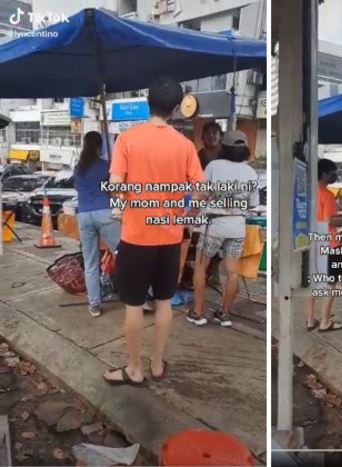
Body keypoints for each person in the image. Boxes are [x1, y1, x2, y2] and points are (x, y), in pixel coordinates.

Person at [104, 77, 205, 386]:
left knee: (134, 304)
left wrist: (126, 207)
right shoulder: (185, 145)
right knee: (164, 301)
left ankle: (134, 369)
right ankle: (158, 365)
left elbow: (116, 187)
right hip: (170, 238)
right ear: (176, 109)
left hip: (136, 237)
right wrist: (185, 216)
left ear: (148, 103)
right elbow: (201, 193)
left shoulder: (127, 140)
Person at [189, 130, 259, 328]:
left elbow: (200, 195)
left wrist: (191, 216)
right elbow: (252, 204)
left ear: (224, 147)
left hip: (214, 225)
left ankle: (198, 312)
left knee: (201, 267)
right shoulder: (251, 172)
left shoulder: (214, 166)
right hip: (237, 227)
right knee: (233, 272)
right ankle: (224, 314)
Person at [305, 159, 342, 332]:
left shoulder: (307, 191)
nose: (335, 175)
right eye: (333, 172)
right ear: (323, 174)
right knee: (330, 284)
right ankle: (325, 321)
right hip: (330, 244)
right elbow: (331, 221)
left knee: (313, 283)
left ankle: (309, 320)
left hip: (311, 242)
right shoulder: (326, 194)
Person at [74, 131, 121, 318]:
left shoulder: (78, 168)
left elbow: (79, 190)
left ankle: (94, 305)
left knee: (91, 263)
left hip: (84, 215)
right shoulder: (106, 166)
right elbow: (116, 191)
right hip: (105, 213)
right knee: (125, 254)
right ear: (99, 146)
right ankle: (142, 296)